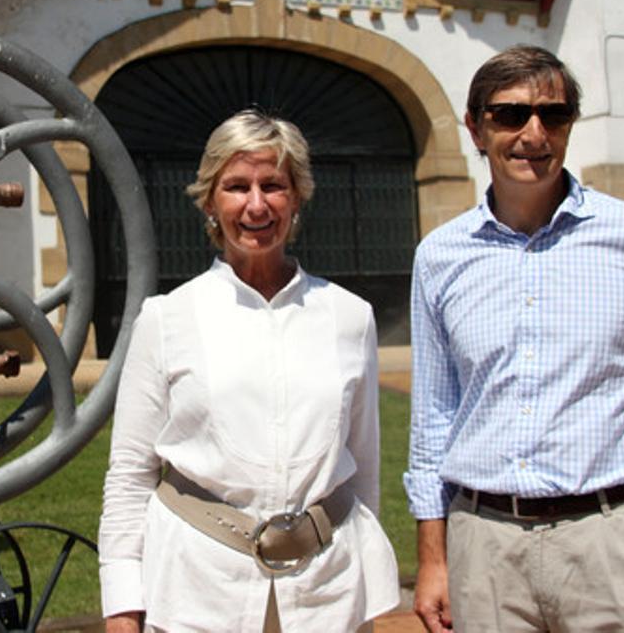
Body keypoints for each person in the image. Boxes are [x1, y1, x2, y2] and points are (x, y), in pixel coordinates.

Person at [404, 46, 624, 632]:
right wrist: (433, 559)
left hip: (616, 540)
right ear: (475, 128)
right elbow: (433, 417)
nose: (533, 133)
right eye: (510, 115)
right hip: (485, 545)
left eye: (554, 115)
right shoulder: (440, 256)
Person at [99, 109, 399, 632]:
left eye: (273, 186)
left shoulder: (350, 317)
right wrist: (123, 609)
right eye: (237, 186)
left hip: (326, 596)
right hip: (199, 594)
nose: (256, 204)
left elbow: (364, 470)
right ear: (210, 201)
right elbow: (129, 476)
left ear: (297, 197)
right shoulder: (167, 318)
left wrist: (367, 596)